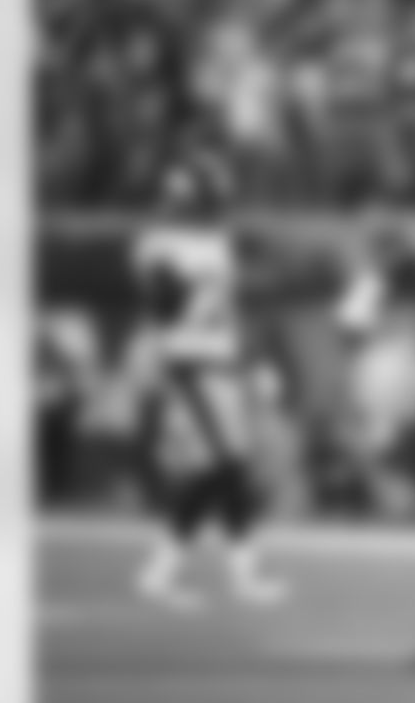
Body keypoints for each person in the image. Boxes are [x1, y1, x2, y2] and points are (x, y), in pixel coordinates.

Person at [127, 167, 287, 611]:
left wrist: (254, 362)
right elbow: (163, 306)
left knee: (226, 468)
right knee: (225, 466)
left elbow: (231, 310)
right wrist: (188, 293)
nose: (217, 208)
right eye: (210, 199)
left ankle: (231, 574)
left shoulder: (216, 245)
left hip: (219, 361)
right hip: (188, 361)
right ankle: (175, 573)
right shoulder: (159, 245)